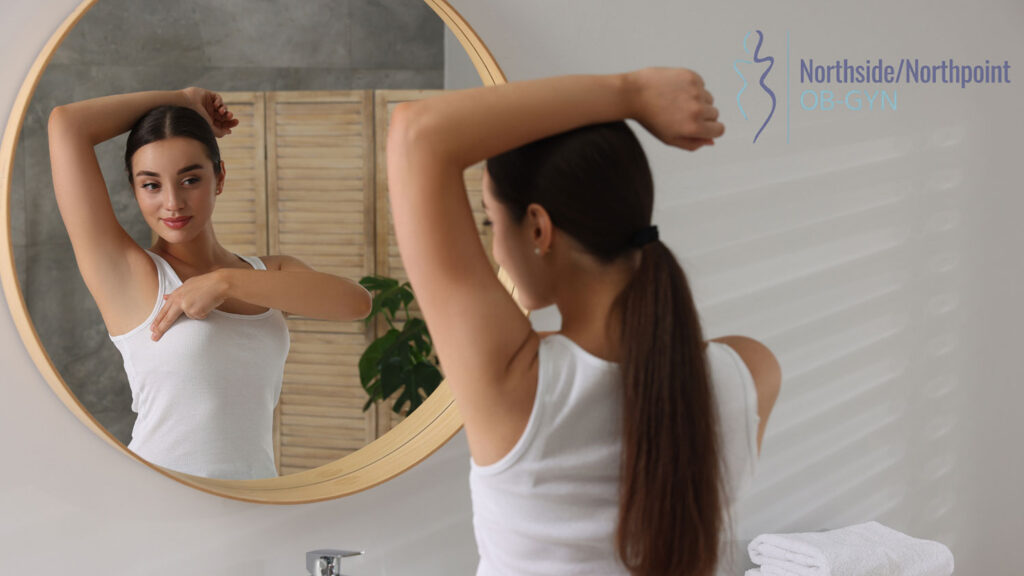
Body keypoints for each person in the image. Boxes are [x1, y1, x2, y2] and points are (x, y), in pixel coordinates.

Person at [385, 68, 782, 575]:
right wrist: (631, 96)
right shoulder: (750, 373)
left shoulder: (516, 389)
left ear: (537, 227)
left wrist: (630, 95)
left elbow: (418, 135)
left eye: (490, 221)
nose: (494, 249)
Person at [47, 88, 373, 480]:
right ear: (134, 189)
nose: (172, 203)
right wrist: (182, 98)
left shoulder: (268, 272)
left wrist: (224, 283)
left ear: (219, 178)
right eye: (151, 184)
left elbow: (355, 302)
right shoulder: (127, 273)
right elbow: (66, 126)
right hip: (160, 501)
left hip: (257, 497)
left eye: (190, 179)